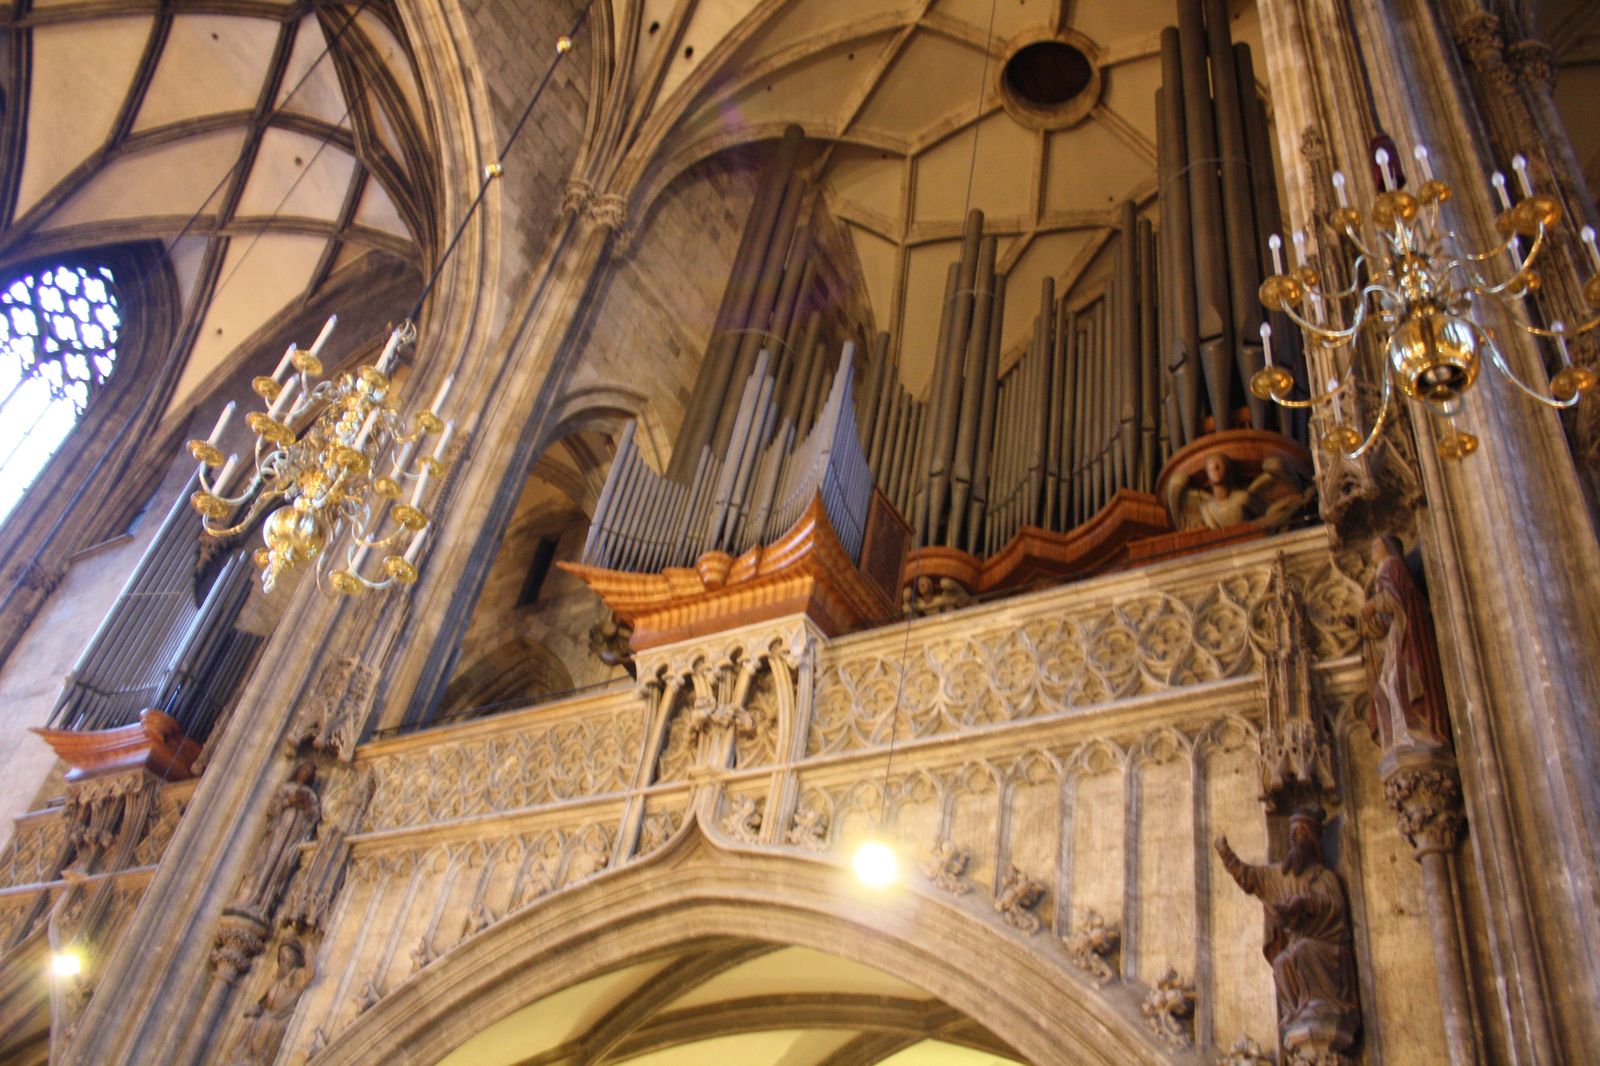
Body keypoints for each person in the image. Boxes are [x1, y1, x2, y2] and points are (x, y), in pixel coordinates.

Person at [1214, 809, 1359, 1044]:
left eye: (1302, 833)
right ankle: (1297, 1012)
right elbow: (1249, 877)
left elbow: (1333, 907)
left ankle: (1320, 1005)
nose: (1296, 838)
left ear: (1313, 840)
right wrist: (1225, 854)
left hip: (1327, 944)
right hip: (1299, 945)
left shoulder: (1324, 877)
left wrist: (1305, 903)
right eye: (1293, 833)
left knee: (1304, 949)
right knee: (1282, 961)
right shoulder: (1280, 877)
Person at [1361, 536, 1451, 752]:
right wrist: (1362, 622)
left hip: (1405, 632)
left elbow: (1397, 599)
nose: (1372, 550)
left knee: (1397, 681)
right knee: (1386, 684)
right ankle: (1402, 735)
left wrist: (1374, 604)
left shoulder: (1392, 566)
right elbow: (1385, 618)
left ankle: (1416, 731)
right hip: (1396, 632)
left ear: (1388, 548)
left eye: (1376, 545)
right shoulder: (1384, 570)